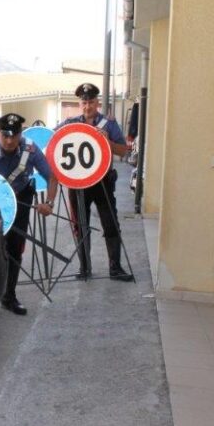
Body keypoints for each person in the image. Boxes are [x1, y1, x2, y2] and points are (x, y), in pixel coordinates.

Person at [0, 113, 58, 315]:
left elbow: (51, 177)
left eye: (14, 135)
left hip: (21, 200)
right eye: (5, 135)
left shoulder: (30, 149)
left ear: (21, 133)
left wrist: (48, 203)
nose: (10, 140)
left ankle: (9, 297)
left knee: (15, 249)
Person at [57, 83, 133, 282]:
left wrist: (107, 142)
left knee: (111, 224)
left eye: (91, 102)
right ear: (79, 103)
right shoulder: (69, 124)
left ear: (97, 103)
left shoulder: (108, 124)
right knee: (80, 225)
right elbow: (53, 142)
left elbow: (123, 151)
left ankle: (115, 268)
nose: (87, 106)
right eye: (84, 102)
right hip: (78, 184)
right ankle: (85, 268)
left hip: (102, 182)